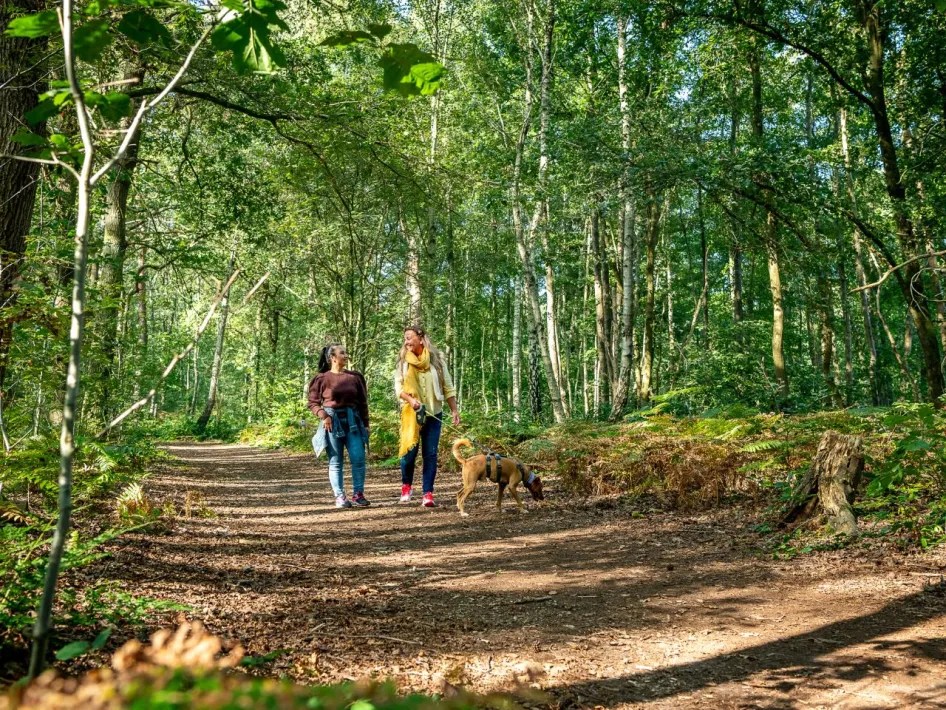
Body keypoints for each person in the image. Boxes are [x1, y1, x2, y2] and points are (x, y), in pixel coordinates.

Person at [395, 325, 460, 507]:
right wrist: (410, 400)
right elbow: (398, 388)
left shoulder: (436, 361)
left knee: (430, 454)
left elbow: (448, 386)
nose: (407, 341)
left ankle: (428, 494)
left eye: (410, 337)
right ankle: (406, 486)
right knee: (409, 453)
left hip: (433, 413)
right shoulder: (403, 362)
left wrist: (454, 410)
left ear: (421, 339)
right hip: (411, 414)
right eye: (405, 338)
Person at [308, 344, 370, 508]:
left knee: (358, 458)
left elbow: (363, 403)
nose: (346, 355)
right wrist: (324, 416)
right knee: (336, 461)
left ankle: (358, 494)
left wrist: (366, 424)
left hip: (353, 422)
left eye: (346, 352)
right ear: (332, 357)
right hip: (332, 422)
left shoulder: (355, 377)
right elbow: (313, 403)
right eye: (342, 352)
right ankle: (340, 496)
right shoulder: (322, 378)